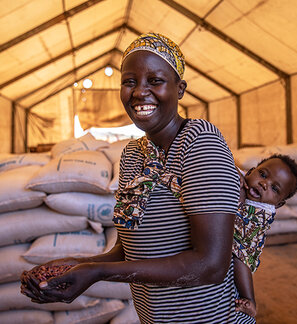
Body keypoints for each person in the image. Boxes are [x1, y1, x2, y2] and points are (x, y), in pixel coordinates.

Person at [21, 33, 255, 323]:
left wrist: (99, 273)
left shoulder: (199, 142)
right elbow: (130, 249)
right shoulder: (133, 154)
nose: (139, 92)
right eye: (129, 81)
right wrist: (79, 264)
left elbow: (210, 265)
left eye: (154, 81)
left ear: (180, 89)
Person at [233, 154, 297, 317]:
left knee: (239, 259)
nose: (264, 184)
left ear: (278, 204)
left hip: (246, 244)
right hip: (230, 233)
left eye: (274, 188)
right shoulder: (239, 177)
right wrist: (235, 173)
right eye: (262, 174)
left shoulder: (262, 212)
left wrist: (240, 200)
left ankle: (249, 299)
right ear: (250, 172)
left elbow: (239, 231)